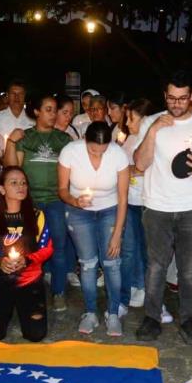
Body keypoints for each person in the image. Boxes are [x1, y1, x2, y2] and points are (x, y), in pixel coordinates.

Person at [132, 71, 192, 345]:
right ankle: (151, 317)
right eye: (171, 97)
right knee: (156, 266)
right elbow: (139, 164)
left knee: (188, 268)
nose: (177, 103)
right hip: (157, 206)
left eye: (183, 98)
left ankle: (188, 319)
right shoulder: (151, 122)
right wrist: (153, 131)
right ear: (165, 96)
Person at [58, 121, 130, 336]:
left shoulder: (118, 154)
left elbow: (123, 197)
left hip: (110, 210)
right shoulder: (71, 152)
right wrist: (74, 200)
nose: (98, 155)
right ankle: (90, 312)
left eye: (103, 150)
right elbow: (61, 189)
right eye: (93, 150)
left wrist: (117, 233)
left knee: (112, 263)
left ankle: (113, 313)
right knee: (88, 264)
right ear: (84, 141)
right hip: (80, 212)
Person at [4, 93, 74, 311]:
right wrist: (11, 142)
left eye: (55, 110)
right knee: (28, 247)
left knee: (59, 247)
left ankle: (58, 292)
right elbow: (12, 168)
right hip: (30, 202)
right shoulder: (25, 137)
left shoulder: (64, 140)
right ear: (36, 111)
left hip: (55, 200)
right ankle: (28, 289)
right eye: (48, 109)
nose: (53, 115)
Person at [0, 167, 53, 342]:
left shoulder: (37, 215)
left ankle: (21, 308)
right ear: (2, 189)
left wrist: (27, 260)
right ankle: (5, 309)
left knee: (36, 335)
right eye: (14, 183)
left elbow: (47, 248)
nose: (21, 186)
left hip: (29, 280)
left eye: (23, 183)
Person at [120, 99, 153, 309]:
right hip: (130, 201)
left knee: (147, 249)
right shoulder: (129, 139)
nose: (128, 123)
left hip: (148, 201)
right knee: (129, 248)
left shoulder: (152, 139)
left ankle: (145, 287)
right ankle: (132, 285)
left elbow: (145, 167)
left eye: (131, 118)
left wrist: (132, 169)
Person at [0, 79, 33, 155]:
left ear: (25, 96)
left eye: (20, 94)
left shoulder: (32, 120)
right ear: (7, 95)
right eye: (13, 93)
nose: (16, 97)